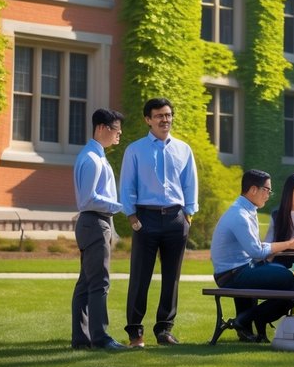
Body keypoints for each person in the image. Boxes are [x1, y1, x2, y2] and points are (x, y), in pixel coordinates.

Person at [120, 97, 198, 348]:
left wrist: (188, 215)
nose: (165, 120)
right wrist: (132, 217)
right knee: (140, 277)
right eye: (159, 116)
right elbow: (127, 184)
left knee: (171, 277)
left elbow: (190, 183)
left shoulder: (183, 149)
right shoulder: (135, 149)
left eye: (168, 115)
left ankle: (164, 329)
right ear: (148, 120)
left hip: (176, 218)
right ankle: (135, 332)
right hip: (146, 218)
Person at [210, 170, 294, 342]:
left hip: (241, 268)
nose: (268, 195)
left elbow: (256, 250)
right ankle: (249, 319)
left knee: (287, 277)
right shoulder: (239, 215)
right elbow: (257, 251)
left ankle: (247, 322)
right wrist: (289, 244)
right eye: (266, 190)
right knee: (287, 278)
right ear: (253, 189)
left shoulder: (246, 210)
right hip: (233, 274)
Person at [71, 108, 127, 351]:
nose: (119, 134)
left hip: (93, 223)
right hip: (94, 222)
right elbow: (87, 199)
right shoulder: (92, 160)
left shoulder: (96, 156)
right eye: (116, 129)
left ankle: (82, 339)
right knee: (99, 283)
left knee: (86, 283)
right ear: (103, 128)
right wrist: (120, 205)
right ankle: (100, 337)